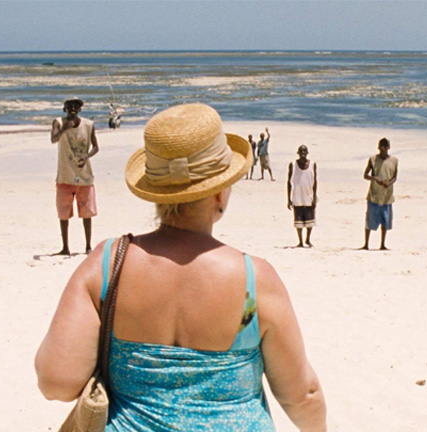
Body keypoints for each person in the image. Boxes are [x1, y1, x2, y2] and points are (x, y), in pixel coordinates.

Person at [36, 104, 326, 431]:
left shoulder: (107, 265)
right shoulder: (254, 281)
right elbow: (303, 395)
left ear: (155, 192)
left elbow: (56, 381)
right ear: (218, 193)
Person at [50, 96, 99, 255]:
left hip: (84, 176)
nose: (72, 108)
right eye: (69, 105)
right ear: (64, 108)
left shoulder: (88, 125)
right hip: (65, 175)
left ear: (80, 109)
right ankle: (65, 247)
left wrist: (87, 156)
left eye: (76, 106)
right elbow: (53, 139)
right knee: (63, 214)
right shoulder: (58, 122)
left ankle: (88, 246)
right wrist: (64, 129)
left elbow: (96, 147)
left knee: (86, 213)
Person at [362, 138, 397, 251]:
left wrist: (389, 184)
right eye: (381, 146)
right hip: (374, 195)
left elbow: (395, 176)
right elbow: (365, 175)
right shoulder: (373, 159)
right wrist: (375, 178)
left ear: (388, 147)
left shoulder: (394, 161)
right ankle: (366, 244)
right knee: (369, 221)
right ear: (378, 147)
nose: (383, 148)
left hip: (387, 196)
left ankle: (382, 244)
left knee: (385, 221)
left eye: (385, 146)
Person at [287, 145, 317, 248]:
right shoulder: (293, 164)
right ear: (298, 153)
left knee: (310, 220)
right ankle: (300, 241)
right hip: (297, 195)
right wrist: (288, 199)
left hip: (308, 195)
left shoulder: (313, 164)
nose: (303, 153)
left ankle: (307, 239)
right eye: (301, 151)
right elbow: (289, 182)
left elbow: (315, 181)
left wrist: (314, 196)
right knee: (298, 220)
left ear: (307, 152)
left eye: (304, 151)